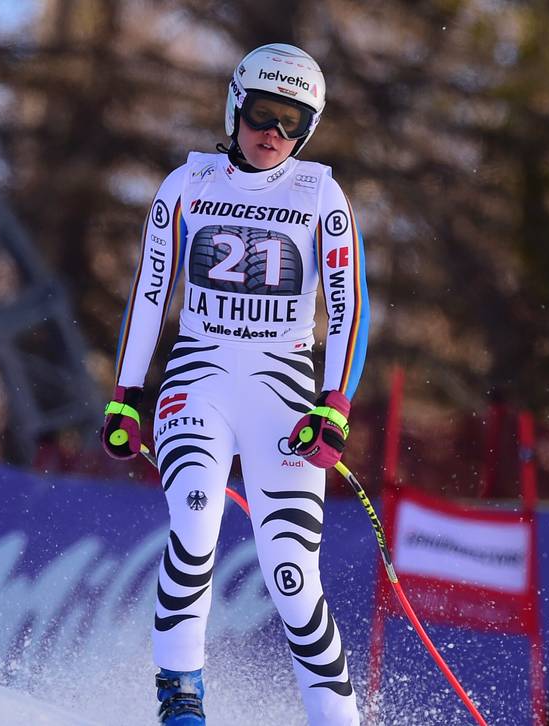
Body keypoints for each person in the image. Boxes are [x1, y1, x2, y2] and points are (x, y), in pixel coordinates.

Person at [101, 43, 369, 726]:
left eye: (292, 123)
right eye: (262, 114)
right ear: (234, 105)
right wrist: (125, 395)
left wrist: (335, 407)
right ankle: (182, 704)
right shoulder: (185, 186)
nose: (272, 134)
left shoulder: (319, 194)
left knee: (291, 575)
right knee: (195, 528)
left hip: (284, 387)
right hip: (201, 375)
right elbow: (149, 291)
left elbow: (348, 306)